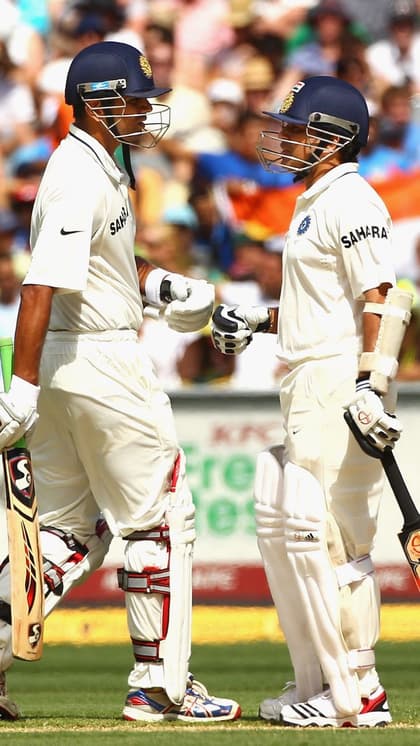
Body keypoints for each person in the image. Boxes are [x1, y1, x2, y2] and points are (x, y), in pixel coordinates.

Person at [0, 41, 241, 724]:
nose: (147, 110)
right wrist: (19, 389)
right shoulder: (78, 174)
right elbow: (41, 284)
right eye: (136, 98)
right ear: (101, 102)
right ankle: (160, 686)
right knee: (160, 517)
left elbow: (105, 262)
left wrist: (163, 287)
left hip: (69, 363)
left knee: (66, 532)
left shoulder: (102, 164)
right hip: (98, 361)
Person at [210, 75, 413, 727]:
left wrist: (371, 385)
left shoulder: (351, 199)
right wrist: (258, 319)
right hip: (310, 376)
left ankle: (361, 690)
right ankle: (324, 680)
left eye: (297, 128)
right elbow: (320, 307)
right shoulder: (314, 200)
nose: (285, 138)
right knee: (301, 530)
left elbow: (383, 296)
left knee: (335, 536)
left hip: (337, 381)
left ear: (331, 137)